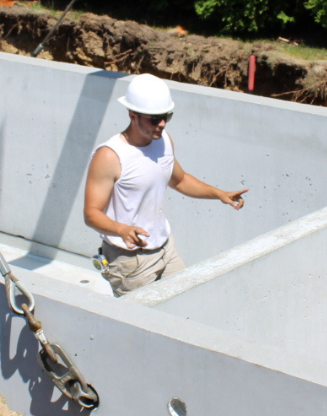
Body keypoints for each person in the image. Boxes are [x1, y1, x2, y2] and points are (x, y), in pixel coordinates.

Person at [83, 73, 247, 296]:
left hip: (166, 249)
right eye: (154, 118)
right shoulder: (110, 156)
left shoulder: (164, 141)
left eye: (166, 116)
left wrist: (218, 194)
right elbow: (91, 213)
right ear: (133, 115)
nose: (161, 124)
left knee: (184, 305)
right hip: (131, 261)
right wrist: (121, 229)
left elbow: (179, 180)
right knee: (140, 326)